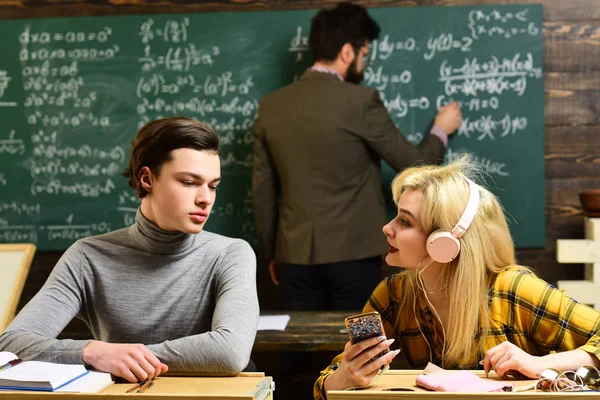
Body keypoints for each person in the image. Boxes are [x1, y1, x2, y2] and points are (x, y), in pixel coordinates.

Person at [314, 156, 600, 399]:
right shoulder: (393, 294)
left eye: (404, 221)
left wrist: (538, 364)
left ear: (443, 242)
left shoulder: (514, 289)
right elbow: (329, 382)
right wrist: (343, 379)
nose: (387, 229)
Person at [0, 117, 259, 383]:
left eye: (213, 185)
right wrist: (92, 352)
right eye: (189, 182)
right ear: (147, 178)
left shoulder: (231, 254)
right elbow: (11, 344)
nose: (206, 198)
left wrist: (123, 357)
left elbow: (230, 352)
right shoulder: (87, 257)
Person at [252, 1, 462, 311]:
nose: (365, 63)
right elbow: (416, 166)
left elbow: (263, 193)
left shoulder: (271, 106)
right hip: (355, 257)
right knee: (358, 344)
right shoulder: (361, 101)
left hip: (292, 256)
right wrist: (440, 130)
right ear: (348, 52)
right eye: (364, 54)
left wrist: (272, 252)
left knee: (298, 354)